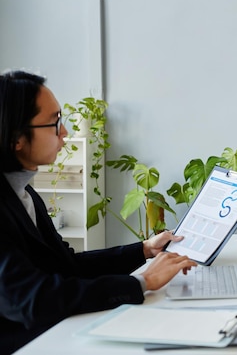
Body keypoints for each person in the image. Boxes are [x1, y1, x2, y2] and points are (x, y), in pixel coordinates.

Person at [0, 70, 197, 353]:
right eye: (55, 123)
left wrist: (143, 250)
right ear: (16, 138)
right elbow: (31, 299)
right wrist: (142, 282)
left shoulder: (25, 193)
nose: (65, 132)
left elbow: (66, 266)